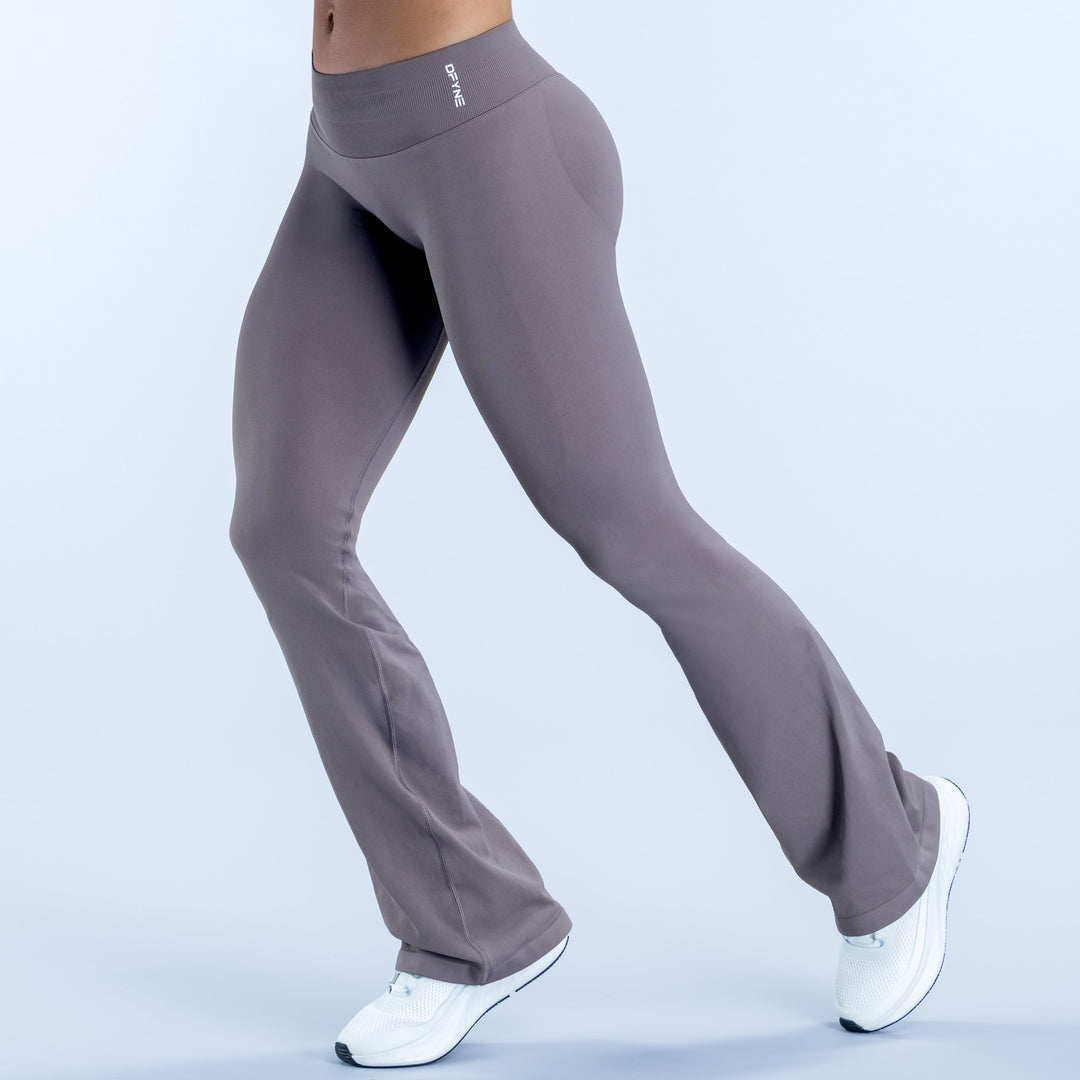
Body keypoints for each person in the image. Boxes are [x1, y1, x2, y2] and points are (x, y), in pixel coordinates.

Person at [228, 1, 971, 1067]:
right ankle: (470, 925)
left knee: (632, 530)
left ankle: (892, 845)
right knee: (284, 528)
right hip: (344, 154)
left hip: (487, 140)